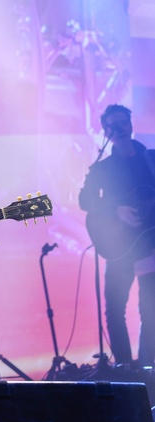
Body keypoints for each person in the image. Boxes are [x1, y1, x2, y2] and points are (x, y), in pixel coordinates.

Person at [79, 104, 155, 369]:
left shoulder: (150, 159)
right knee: (114, 309)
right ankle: (124, 367)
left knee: (150, 309)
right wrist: (116, 210)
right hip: (119, 246)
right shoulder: (103, 168)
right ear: (106, 132)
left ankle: (148, 366)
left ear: (131, 124)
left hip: (149, 246)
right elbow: (85, 200)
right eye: (113, 126)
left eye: (123, 122)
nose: (119, 129)